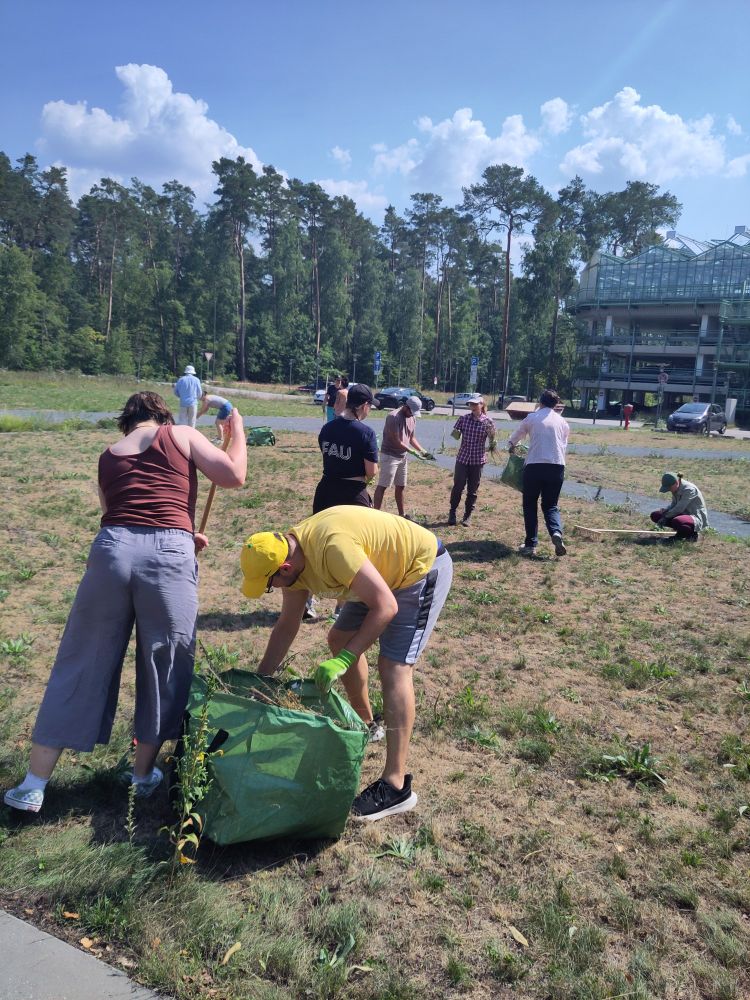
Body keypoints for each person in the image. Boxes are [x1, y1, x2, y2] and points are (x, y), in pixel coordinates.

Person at [3, 392, 247, 813]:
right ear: (161, 417)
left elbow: (119, 514)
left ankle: (33, 784)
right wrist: (236, 429)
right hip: (169, 553)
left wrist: (182, 535)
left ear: (127, 422)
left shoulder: (107, 456)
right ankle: (141, 775)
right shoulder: (181, 435)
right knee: (163, 661)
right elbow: (233, 475)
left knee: (80, 659)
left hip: (112, 550)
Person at [239, 506, 453, 821]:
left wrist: (344, 660)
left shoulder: (331, 548)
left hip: (417, 569)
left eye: (270, 584)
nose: (274, 589)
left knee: (394, 666)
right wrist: (261, 681)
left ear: (284, 568)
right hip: (378, 576)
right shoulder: (292, 559)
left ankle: (396, 786)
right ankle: (369, 725)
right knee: (339, 638)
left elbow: (385, 606)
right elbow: (287, 624)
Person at [304, 383, 379, 628]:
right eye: (370, 407)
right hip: (352, 494)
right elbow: (371, 471)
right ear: (363, 406)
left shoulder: (327, 428)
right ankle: (341, 608)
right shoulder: (365, 433)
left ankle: (308, 600)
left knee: (317, 545)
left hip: (326, 490)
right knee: (353, 550)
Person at [508, 389, 570, 557]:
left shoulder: (532, 418)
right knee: (551, 505)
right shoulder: (562, 421)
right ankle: (556, 532)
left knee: (530, 504)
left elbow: (516, 436)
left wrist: (512, 445)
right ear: (556, 405)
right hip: (557, 466)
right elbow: (563, 444)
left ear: (540, 402)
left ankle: (530, 544)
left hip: (534, 466)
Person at [374, 397, 434, 518]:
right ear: (405, 407)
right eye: (411, 411)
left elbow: (411, 438)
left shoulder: (412, 417)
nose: (412, 415)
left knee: (401, 486)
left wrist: (422, 451)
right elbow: (396, 440)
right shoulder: (393, 417)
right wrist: (412, 452)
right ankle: (375, 514)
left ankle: (402, 514)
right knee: (383, 485)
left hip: (402, 456)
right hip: (390, 455)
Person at [448, 393, 496, 527]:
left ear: (481, 405)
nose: (473, 406)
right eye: (471, 404)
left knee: (472, 489)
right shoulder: (463, 419)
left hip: (477, 460)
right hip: (462, 459)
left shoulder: (488, 422)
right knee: (458, 486)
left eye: (475, 404)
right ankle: (452, 512)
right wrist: (455, 432)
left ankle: (467, 515)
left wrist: (493, 445)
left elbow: (492, 441)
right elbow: (456, 436)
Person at [650, 472, 708, 541]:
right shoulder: (676, 488)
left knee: (677, 521)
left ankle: (692, 534)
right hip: (682, 514)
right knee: (656, 515)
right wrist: (665, 510)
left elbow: (679, 508)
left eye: (669, 488)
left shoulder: (689, 490)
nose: (669, 490)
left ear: (676, 483)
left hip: (694, 517)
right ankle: (681, 531)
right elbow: (674, 504)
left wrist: (665, 516)